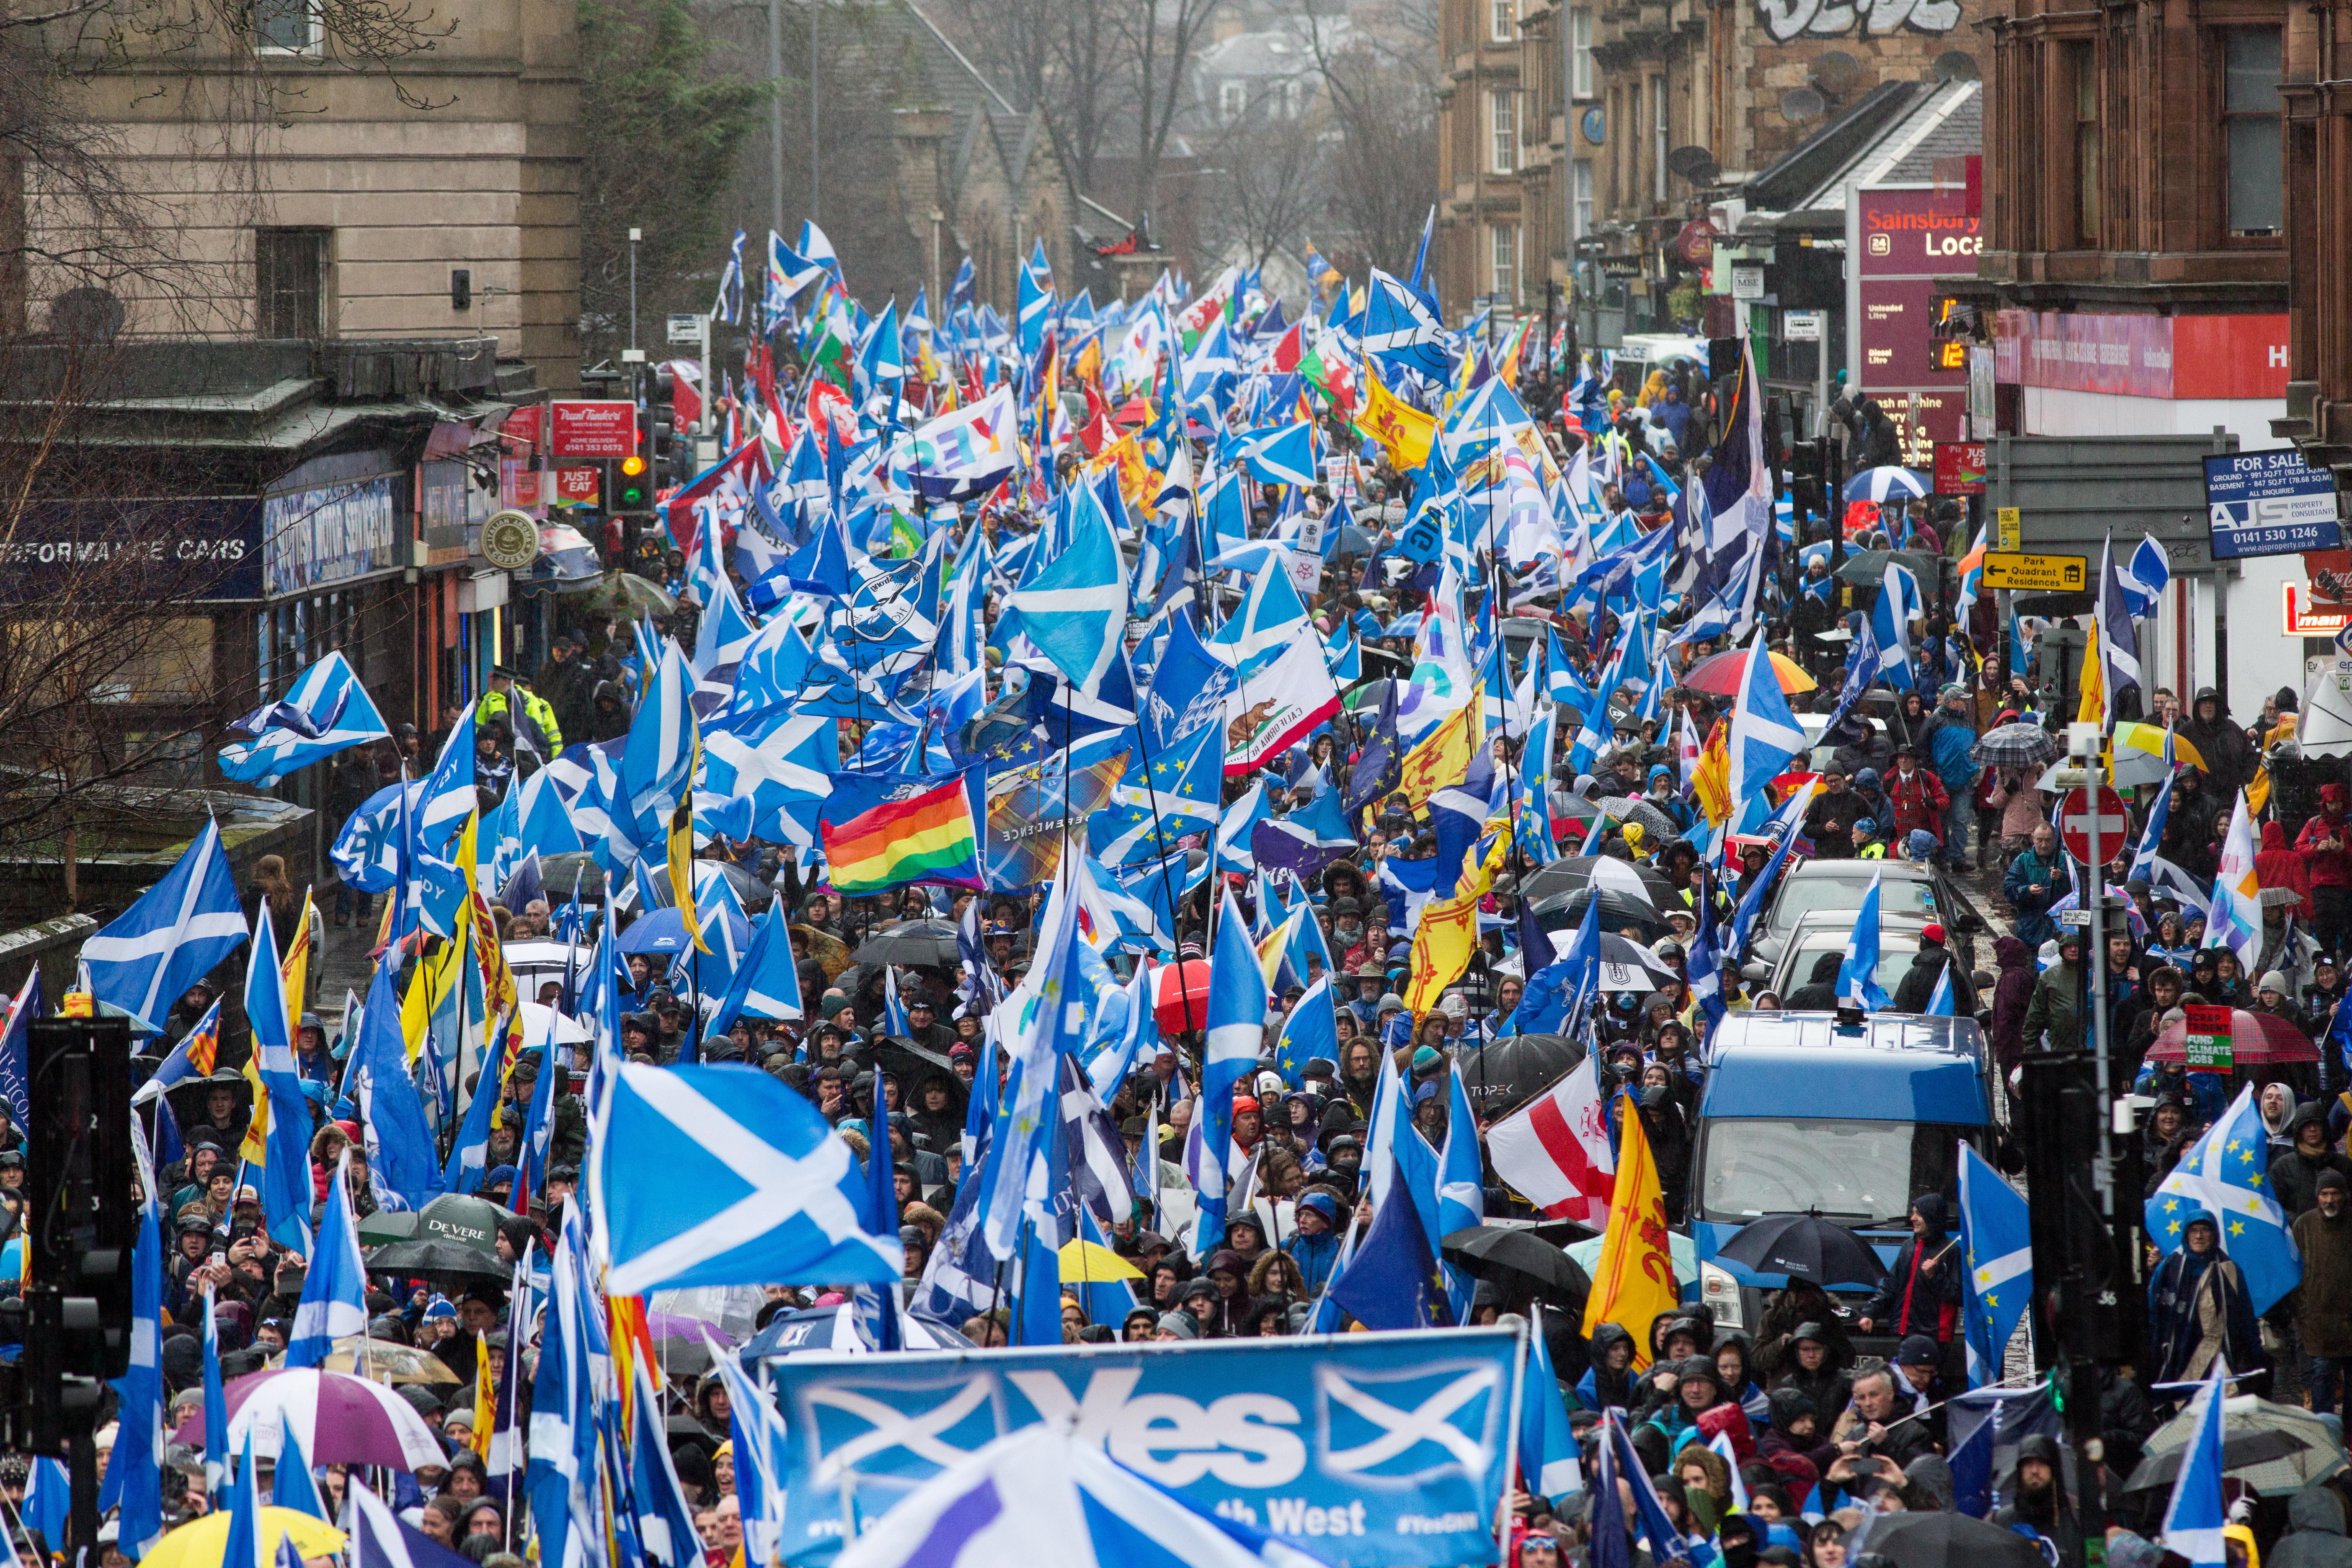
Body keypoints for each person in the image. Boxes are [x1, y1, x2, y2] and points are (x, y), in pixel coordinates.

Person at [2146, 1211, 2262, 1386]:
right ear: (2186, 1234)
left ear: (2214, 1234)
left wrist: (2255, 1358)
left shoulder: (2229, 1271)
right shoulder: (2169, 1268)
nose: (2199, 1236)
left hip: (2218, 1358)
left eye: (2204, 1230)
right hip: (2176, 1356)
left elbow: (2245, 1317)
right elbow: (2153, 1312)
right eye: (2193, 1231)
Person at [1858, 1195, 1960, 1356]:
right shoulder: (1908, 1246)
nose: (1913, 1219)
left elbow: (1958, 1296)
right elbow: (1891, 1283)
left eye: (1918, 1214)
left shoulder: (1951, 1251)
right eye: (1913, 1213)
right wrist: (1871, 1313)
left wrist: (1935, 1276)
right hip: (1907, 1331)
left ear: (1931, 1217)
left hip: (1935, 1335)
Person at [2289, 1170, 2352, 1417]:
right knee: (2322, 1381)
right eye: (2324, 1194)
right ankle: (2325, 1437)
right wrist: (2301, 1310)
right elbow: (2293, 1270)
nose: (2329, 1200)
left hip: (2350, 1318)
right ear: (2317, 1197)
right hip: (2318, 1321)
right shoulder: (2304, 1225)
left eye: (2335, 1193)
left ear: (2344, 1196)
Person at [1890, 923, 1974, 1015]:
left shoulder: (1914, 975)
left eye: (1920, 943)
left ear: (1924, 945)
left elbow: (1900, 1010)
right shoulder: (1956, 976)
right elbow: (1966, 1013)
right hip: (1948, 1028)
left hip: (1917, 1029)